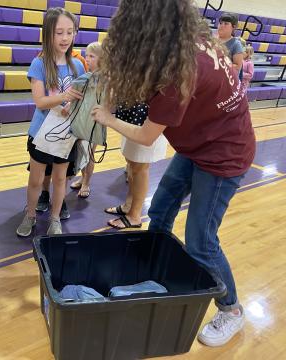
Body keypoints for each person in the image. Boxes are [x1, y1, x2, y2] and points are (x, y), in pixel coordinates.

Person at [92, 0, 254, 347]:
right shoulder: (190, 38)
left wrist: (107, 118)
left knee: (200, 240)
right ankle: (153, 264)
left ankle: (232, 310)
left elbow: (146, 135)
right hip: (200, 144)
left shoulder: (180, 72)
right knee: (161, 209)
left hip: (223, 157)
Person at [16, 7, 85, 237]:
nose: (65, 38)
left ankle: (55, 218)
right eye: (59, 33)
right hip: (41, 134)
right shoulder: (39, 64)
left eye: (69, 32)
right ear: (48, 34)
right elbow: (40, 101)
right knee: (36, 180)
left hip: (66, 135)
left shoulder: (79, 66)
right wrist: (65, 97)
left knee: (59, 179)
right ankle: (31, 215)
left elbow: (81, 100)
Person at [103, 103, 167, 229]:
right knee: (132, 163)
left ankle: (134, 216)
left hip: (146, 118)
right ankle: (128, 205)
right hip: (133, 115)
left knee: (140, 167)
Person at [69, 41, 103, 198]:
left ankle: (87, 183)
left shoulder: (105, 79)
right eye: (86, 55)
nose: (86, 59)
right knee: (81, 153)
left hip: (94, 122)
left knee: (89, 154)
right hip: (81, 120)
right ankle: (82, 178)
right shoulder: (86, 77)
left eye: (91, 56)